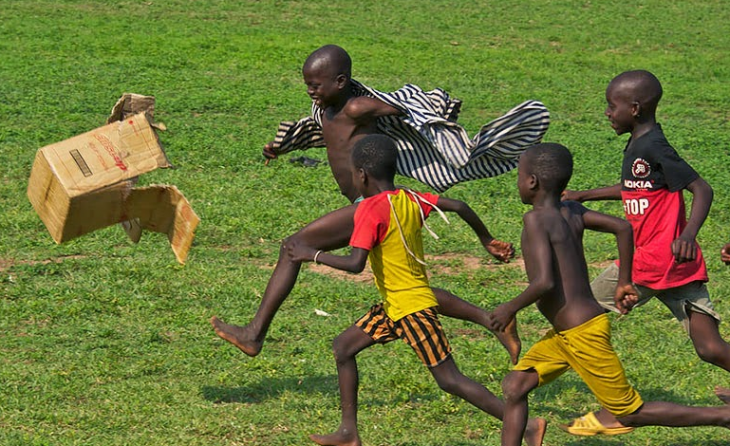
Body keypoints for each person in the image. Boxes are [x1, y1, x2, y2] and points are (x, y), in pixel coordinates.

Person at [211, 44, 550, 359]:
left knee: (293, 246)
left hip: (369, 204)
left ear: (341, 81)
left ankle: (255, 334)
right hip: (375, 201)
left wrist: (433, 110)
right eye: (307, 84)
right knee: (410, 291)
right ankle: (493, 320)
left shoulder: (357, 106)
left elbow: (404, 110)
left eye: (316, 84)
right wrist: (284, 146)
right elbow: (331, 139)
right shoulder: (326, 108)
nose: (310, 90)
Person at [457, 142, 730, 446]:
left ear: (533, 181)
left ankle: (724, 416)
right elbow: (622, 227)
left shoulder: (535, 220)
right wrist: (624, 280)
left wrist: (510, 307)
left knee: (631, 413)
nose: (519, 183)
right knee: (515, 386)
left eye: (520, 177)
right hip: (568, 332)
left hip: (581, 334)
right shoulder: (571, 211)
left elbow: (544, 283)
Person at [286, 134, 548, 446]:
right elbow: (460, 206)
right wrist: (486, 239)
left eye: (354, 174)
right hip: (395, 307)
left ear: (362, 175)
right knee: (343, 347)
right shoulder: (409, 198)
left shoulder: (369, 210)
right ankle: (348, 432)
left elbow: (354, 264)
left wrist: (313, 254)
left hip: (411, 309)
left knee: (451, 380)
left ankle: (527, 426)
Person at [562, 70, 730, 423]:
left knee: (578, 313)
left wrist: (688, 235)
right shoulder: (640, 142)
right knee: (710, 348)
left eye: (612, 106)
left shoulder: (654, 145)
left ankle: (530, 379)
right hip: (672, 264)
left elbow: (702, 189)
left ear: (634, 108)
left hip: (654, 261)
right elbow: (636, 188)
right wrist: (584, 195)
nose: (607, 113)